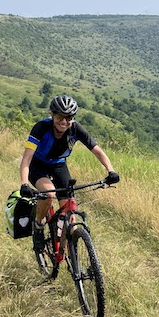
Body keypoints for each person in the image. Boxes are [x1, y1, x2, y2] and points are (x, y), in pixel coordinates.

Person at [19, 94, 120, 251]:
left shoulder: (75, 128)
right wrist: (24, 183)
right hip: (38, 165)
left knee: (69, 209)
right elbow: (26, 159)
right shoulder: (41, 128)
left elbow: (97, 150)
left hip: (59, 165)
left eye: (69, 117)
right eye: (60, 116)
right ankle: (39, 227)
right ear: (52, 115)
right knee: (48, 194)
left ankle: (70, 253)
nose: (64, 121)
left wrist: (111, 170)